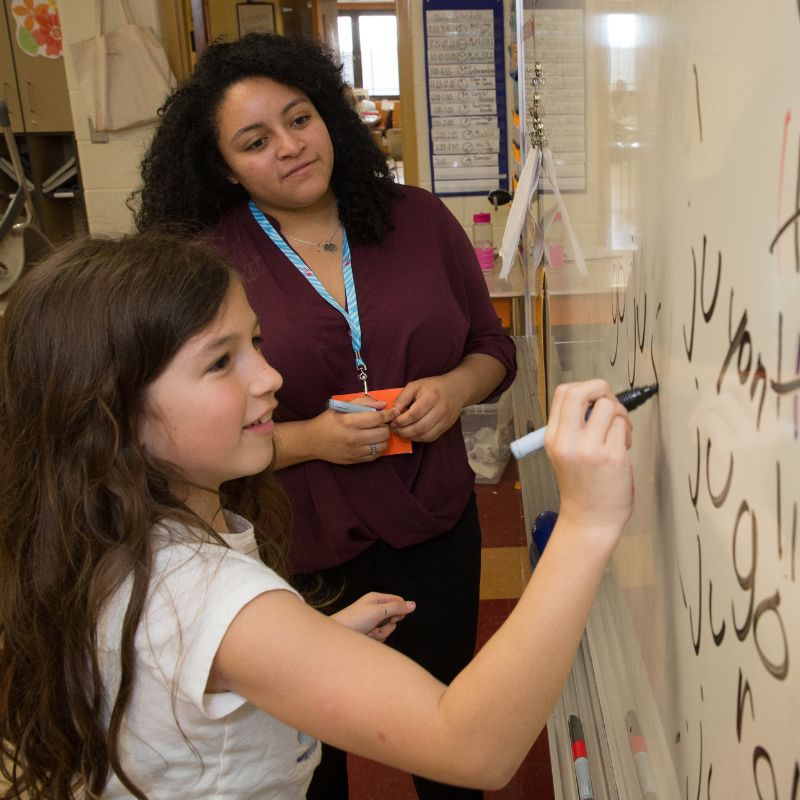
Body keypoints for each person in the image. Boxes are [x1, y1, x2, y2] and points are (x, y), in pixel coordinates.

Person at [0, 233, 634, 799]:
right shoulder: (208, 597)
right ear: (111, 416)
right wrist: (586, 523)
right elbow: (474, 748)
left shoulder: (108, 533)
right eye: (220, 362)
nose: (270, 377)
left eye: (255, 343)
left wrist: (310, 640)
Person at [132, 32, 507, 798]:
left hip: (434, 519)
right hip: (299, 541)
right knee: (308, 757)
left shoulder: (421, 220)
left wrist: (455, 390)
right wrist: (311, 441)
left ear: (331, 115)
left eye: (300, 119)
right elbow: (182, 439)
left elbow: (492, 346)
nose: (290, 147)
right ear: (223, 165)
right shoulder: (205, 263)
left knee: (450, 721)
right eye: (255, 140)